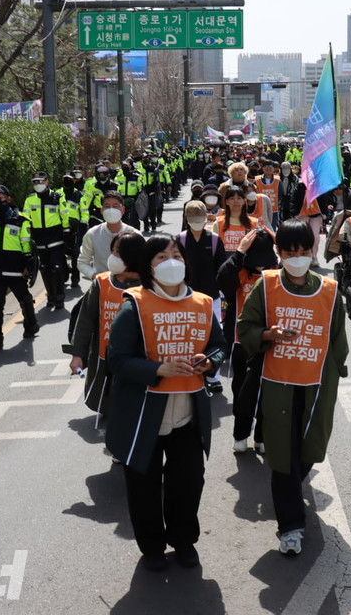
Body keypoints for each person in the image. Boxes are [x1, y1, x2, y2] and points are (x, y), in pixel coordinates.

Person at [104, 233, 228, 572]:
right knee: (143, 486)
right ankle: (152, 548)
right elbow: (117, 359)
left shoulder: (202, 303)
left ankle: (184, 541)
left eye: (177, 255)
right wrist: (157, 369)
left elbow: (219, 345)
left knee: (188, 482)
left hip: (187, 414)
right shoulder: (134, 305)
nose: (172, 262)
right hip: (144, 415)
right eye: (161, 257)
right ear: (148, 267)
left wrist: (209, 362)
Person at [236, 220, 349, 556]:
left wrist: (337, 369)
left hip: (316, 386)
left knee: (309, 450)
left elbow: (338, 337)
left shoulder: (329, 290)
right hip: (277, 386)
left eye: (303, 250)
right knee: (282, 457)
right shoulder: (267, 285)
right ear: (279, 253)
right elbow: (245, 327)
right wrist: (268, 334)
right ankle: (290, 527)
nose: (297, 257)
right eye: (289, 251)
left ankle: (286, 492)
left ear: (312, 250)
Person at [69, 231, 145, 417]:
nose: (113, 256)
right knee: (108, 397)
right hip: (106, 355)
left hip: (141, 357)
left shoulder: (151, 284)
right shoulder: (101, 283)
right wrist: (77, 354)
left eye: (118, 252)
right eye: (112, 251)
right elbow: (85, 321)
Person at [217, 227, 279, 453]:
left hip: (271, 342)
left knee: (268, 392)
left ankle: (262, 437)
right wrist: (239, 253)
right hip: (240, 341)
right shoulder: (239, 271)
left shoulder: (277, 272)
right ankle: (240, 434)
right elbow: (222, 280)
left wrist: (278, 244)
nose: (261, 266)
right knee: (242, 391)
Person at [0, 185, 39, 350]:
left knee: (25, 299)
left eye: (0, 198)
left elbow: (26, 245)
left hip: (15, 270)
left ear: (9, 199)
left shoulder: (21, 220)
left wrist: (27, 266)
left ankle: (31, 324)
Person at [177, 201, 228, 394]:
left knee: (215, 335)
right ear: (186, 219)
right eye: (193, 219)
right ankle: (189, 371)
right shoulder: (179, 240)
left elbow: (221, 267)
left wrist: (221, 290)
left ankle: (213, 377)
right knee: (188, 335)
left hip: (211, 297)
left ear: (206, 218)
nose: (197, 222)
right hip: (185, 298)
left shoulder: (214, 240)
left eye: (200, 218)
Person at [22, 171, 73, 310]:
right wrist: (26, 241)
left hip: (55, 237)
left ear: (47, 182)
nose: (38, 184)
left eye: (40, 181)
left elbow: (65, 215)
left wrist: (66, 232)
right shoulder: (29, 200)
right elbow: (26, 220)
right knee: (44, 269)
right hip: (39, 239)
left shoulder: (57, 197)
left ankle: (59, 297)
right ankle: (51, 296)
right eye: (35, 182)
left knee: (56, 268)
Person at [77, 191, 138, 282]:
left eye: (115, 206)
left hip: (130, 286)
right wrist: (96, 277)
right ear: (101, 210)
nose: (111, 210)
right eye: (107, 206)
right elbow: (82, 262)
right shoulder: (92, 234)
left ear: (123, 210)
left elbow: (144, 263)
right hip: (103, 287)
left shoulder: (134, 234)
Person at [60, 171, 86, 289]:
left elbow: (84, 212)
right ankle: (64, 274)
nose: (68, 181)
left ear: (74, 180)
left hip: (75, 229)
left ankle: (75, 278)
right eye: (65, 179)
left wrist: (83, 223)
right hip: (60, 228)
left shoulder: (79, 195)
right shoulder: (57, 194)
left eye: (70, 179)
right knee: (60, 253)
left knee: (76, 254)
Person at [213, 185, 258, 253]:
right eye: (232, 198)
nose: (236, 201)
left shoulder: (254, 223)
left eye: (239, 198)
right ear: (227, 202)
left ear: (244, 201)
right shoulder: (218, 223)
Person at [255, 160, 283, 229]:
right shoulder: (256, 180)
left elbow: (280, 194)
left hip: (274, 210)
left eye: (270, 166)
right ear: (262, 168)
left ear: (273, 168)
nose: (268, 168)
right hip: (261, 210)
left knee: (272, 230)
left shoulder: (278, 180)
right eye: (266, 166)